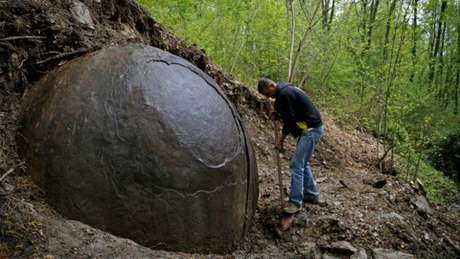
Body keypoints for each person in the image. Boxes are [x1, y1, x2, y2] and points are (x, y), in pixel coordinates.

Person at [258, 78, 325, 214]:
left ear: (271, 85)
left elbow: (289, 121)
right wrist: (277, 114)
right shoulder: (285, 90)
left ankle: (295, 202)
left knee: (296, 165)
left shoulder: (285, 94)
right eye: (265, 95)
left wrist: (281, 140)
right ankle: (312, 195)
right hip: (309, 128)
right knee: (303, 164)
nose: (268, 97)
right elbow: (290, 112)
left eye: (267, 93)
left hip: (310, 130)